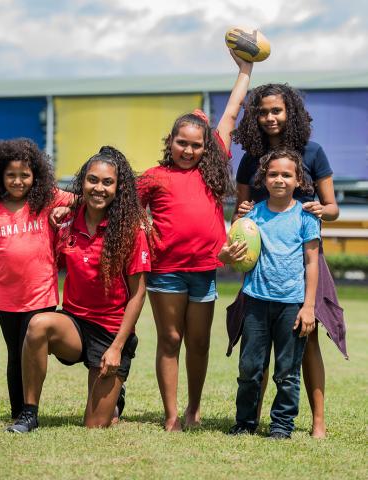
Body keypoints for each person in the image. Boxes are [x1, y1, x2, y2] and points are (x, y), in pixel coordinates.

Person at [137, 51, 253, 431]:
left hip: (204, 271)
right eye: (182, 143)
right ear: (170, 141)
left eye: (196, 145)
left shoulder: (213, 167)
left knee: (199, 342)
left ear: (207, 147)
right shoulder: (153, 177)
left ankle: (193, 408)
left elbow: (232, 113)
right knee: (170, 338)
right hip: (165, 271)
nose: (188, 150)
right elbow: (122, 207)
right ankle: (171, 415)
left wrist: (245, 70)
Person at [227, 83, 346, 438]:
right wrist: (243, 212)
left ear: (290, 112)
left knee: (306, 341)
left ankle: (317, 422)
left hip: (303, 258)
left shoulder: (312, 152)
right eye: (262, 111)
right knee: (255, 349)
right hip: (260, 268)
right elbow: (240, 214)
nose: (269, 117)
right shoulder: (251, 159)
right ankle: (252, 420)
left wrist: (320, 210)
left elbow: (334, 208)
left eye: (276, 110)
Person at [6, 146, 151, 433]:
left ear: (119, 188)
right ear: (82, 182)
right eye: (92, 180)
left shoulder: (131, 230)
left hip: (110, 334)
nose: (99, 188)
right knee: (38, 325)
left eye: (107, 182)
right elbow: (39, 256)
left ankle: (116, 398)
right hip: (74, 326)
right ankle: (29, 413)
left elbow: (138, 294)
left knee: (94, 426)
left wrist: (117, 348)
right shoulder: (68, 221)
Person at [220, 148, 320, 439]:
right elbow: (233, 257)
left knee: (287, 372)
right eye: (273, 174)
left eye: (287, 174)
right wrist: (227, 254)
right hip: (255, 302)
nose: (279, 179)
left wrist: (309, 306)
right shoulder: (252, 216)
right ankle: (245, 422)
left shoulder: (305, 216)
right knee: (250, 368)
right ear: (263, 179)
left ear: (298, 179)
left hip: (292, 304)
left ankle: (281, 425)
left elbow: (312, 262)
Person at [0, 138, 74, 419]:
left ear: (36, 176)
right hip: (6, 298)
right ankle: (18, 411)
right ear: (0, 176)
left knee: (31, 353)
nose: (18, 181)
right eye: (11, 175)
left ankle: (31, 410)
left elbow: (83, 199)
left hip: (40, 295)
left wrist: (65, 208)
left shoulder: (47, 199)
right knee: (14, 354)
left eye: (25, 175)